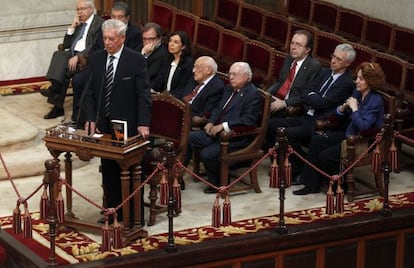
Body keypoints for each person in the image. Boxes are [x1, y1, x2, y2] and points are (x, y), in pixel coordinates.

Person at [83, 19, 151, 221]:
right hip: (104, 125)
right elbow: (89, 93)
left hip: (129, 125)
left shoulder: (135, 60)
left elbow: (143, 94)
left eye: (111, 39)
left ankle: (132, 215)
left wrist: (143, 122)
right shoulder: (96, 59)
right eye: (104, 38)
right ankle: (112, 212)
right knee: (109, 171)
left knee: (130, 171)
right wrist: (90, 118)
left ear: (122, 38)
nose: (107, 43)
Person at [266, 43, 356, 183]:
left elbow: (323, 103)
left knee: (287, 135)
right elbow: (305, 92)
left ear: (348, 63)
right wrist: (314, 97)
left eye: (339, 59)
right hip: (306, 115)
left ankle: (299, 170)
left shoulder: (347, 83)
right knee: (270, 126)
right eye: (333, 56)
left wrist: (313, 97)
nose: (333, 61)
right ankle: (286, 166)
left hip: (320, 123)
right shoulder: (325, 72)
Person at [293, 62, 385, 195]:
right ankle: (310, 184)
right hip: (348, 134)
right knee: (317, 140)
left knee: (326, 156)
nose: (356, 81)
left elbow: (364, 126)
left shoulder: (375, 101)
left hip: (361, 141)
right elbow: (339, 115)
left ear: (370, 81)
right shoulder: (357, 93)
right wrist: (342, 109)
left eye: (361, 79)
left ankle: (341, 184)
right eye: (357, 77)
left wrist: (354, 109)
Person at [189, 62, 262, 194]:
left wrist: (223, 126)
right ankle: (177, 174)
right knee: (190, 138)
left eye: (235, 74)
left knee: (208, 153)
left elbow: (248, 120)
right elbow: (218, 108)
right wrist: (211, 122)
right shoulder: (229, 89)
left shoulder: (253, 94)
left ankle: (219, 182)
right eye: (230, 74)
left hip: (236, 138)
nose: (231, 77)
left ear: (246, 77)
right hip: (217, 133)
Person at [71, 1, 143, 125]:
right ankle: (79, 117)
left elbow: (133, 55)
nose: (116, 20)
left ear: (127, 18)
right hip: (101, 63)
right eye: (113, 16)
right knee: (78, 80)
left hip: (121, 68)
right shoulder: (105, 29)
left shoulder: (134, 33)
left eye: (120, 17)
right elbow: (95, 49)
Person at [41, 0, 104, 119]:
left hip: (86, 57)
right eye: (78, 9)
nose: (80, 12)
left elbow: (95, 45)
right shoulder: (79, 23)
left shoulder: (99, 23)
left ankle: (57, 103)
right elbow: (66, 44)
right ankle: (54, 89)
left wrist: (79, 56)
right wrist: (72, 27)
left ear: (91, 9)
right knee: (59, 54)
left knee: (64, 72)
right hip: (72, 53)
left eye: (82, 9)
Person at [267, 29, 321, 118]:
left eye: (298, 45)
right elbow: (280, 81)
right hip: (278, 99)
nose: (293, 47)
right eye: (292, 43)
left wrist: (285, 103)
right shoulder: (289, 59)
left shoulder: (314, 66)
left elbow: (306, 95)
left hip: (292, 106)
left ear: (307, 49)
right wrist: (267, 95)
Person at [162, 31, 194, 99]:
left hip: (176, 99)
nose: (171, 44)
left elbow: (183, 87)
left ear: (183, 46)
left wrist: (170, 96)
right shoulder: (167, 59)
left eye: (176, 42)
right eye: (170, 41)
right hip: (164, 96)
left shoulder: (188, 63)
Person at [140, 22, 169, 93]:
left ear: (159, 38)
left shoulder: (163, 54)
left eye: (151, 39)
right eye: (144, 39)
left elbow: (148, 75)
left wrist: (143, 55)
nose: (147, 42)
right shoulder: (139, 48)